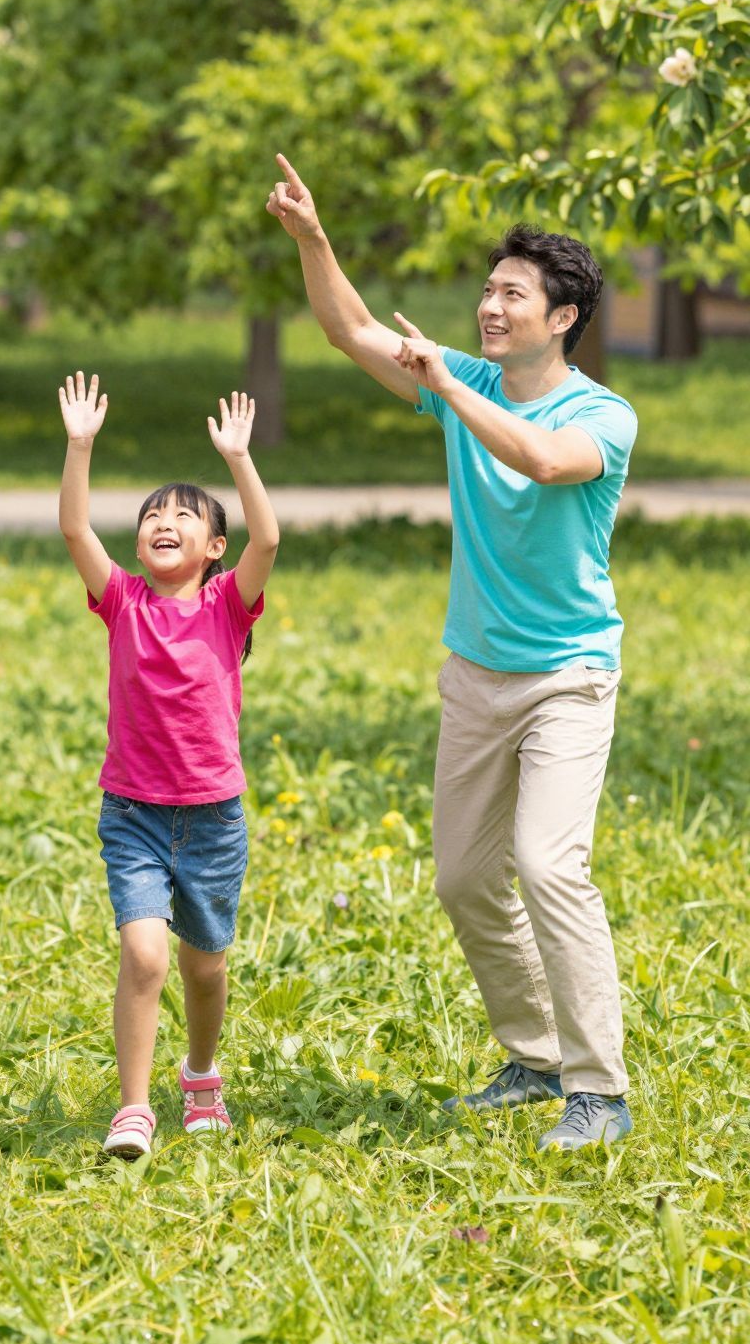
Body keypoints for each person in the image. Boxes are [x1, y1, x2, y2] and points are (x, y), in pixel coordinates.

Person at [267, 156, 637, 1151]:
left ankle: (598, 1090)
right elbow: (350, 328)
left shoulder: (603, 415)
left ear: (561, 317)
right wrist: (314, 238)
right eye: (486, 289)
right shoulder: (463, 377)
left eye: (511, 293)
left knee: (549, 866)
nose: (489, 305)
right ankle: (535, 1056)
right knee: (466, 879)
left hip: (568, 676)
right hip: (477, 670)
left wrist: (446, 386)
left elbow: (542, 459)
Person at [58, 372, 279, 1158]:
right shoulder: (122, 603)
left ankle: (202, 1073)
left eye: (184, 516)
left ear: (213, 549)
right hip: (135, 815)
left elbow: (270, 541)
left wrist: (239, 460)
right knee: (145, 955)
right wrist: (80, 446)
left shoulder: (226, 605)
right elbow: (76, 532)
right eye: (154, 514)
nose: (164, 521)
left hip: (214, 818)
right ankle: (133, 1108)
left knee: (204, 968)